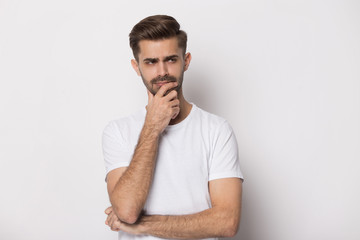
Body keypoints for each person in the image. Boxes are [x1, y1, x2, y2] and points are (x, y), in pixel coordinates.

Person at [102, 15, 243, 239]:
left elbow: (227, 222)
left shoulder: (216, 130)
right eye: (150, 62)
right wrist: (152, 127)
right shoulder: (118, 131)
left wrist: (143, 226)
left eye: (171, 59)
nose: (162, 72)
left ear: (186, 61)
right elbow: (127, 211)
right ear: (136, 67)